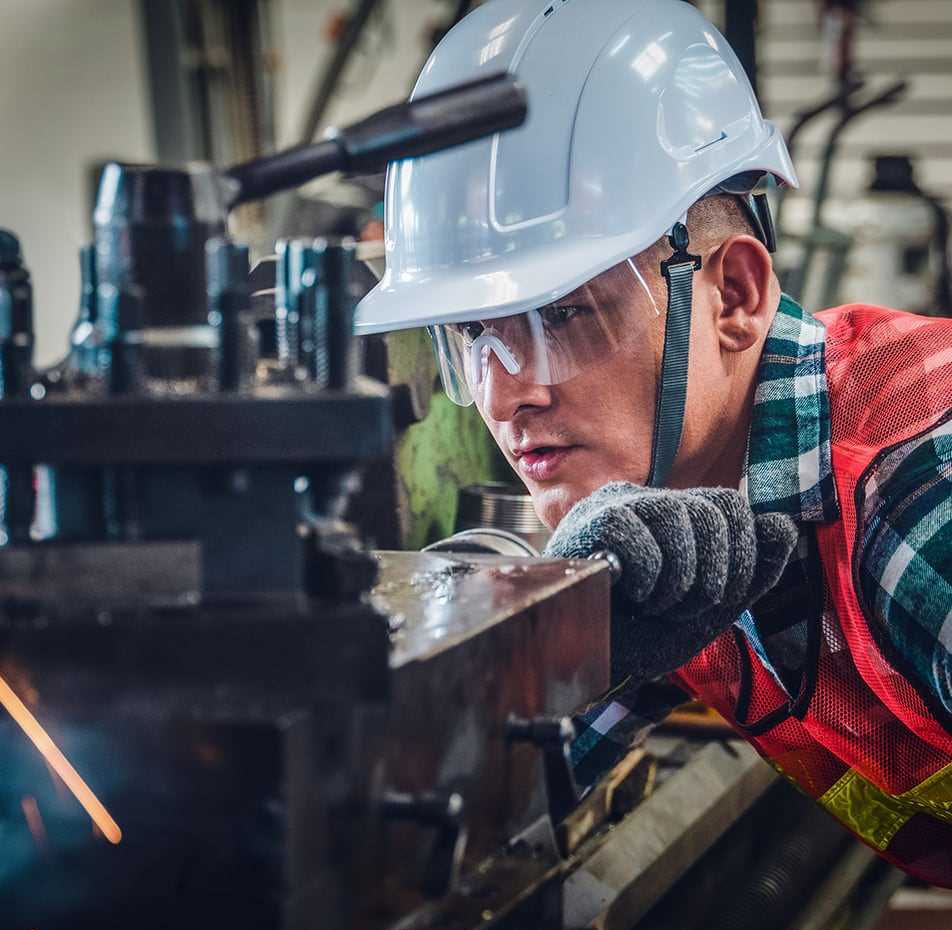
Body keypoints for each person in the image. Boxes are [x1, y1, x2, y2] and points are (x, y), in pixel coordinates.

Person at [355, 0, 952, 885]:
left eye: (563, 316)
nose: (508, 392)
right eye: (473, 336)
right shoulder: (683, 522)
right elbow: (481, 802)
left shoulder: (914, 489)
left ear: (735, 296)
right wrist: (578, 651)